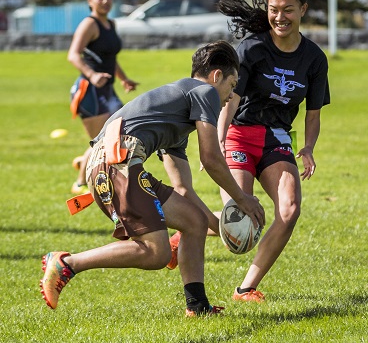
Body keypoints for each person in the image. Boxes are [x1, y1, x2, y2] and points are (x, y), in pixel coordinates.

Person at [40, 41, 266, 317]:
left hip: (115, 162)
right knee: (155, 253)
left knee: (192, 222)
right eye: (232, 85)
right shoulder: (204, 91)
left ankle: (197, 306)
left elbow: (184, 189)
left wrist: (222, 228)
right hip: (117, 161)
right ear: (217, 76)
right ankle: (68, 263)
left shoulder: (178, 115)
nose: (231, 96)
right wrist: (243, 200)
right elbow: (211, 158)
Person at [167, 0, 330, 303]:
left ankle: (246, 288)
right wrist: (218, 141)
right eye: (273, 10)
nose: (280, 17)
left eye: (288, 10)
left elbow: (313, 113)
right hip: (239, 133)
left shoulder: (313, 58)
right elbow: (229, 99)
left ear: (303, 10)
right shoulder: (252, 48)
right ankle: (184, 231)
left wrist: (308, 148)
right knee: (238, 221)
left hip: (276, 139)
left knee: (290, 208)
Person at [67, 0, 138, 195]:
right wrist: (92, 75)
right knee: (103, 138)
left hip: (108, 90)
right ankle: (80, 183)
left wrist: (124, 79)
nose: (105, 1)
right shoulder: (89, 24)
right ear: (90, 1)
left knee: (120, 129)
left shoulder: (111, 24)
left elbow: (110, 58)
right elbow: (73, 54)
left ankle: (83, 161)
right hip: (89, 91)